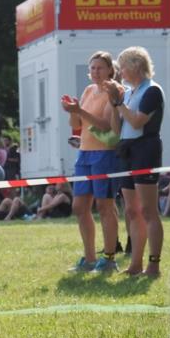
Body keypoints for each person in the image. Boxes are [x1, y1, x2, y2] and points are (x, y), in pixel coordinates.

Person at [104, 46, 165, 277]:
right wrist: (113, 103)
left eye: (122, 67)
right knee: (131, 211)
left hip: (145, 149)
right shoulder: (128, 92)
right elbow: (116, 128)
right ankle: (135, 264)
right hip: (127, 149)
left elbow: (138, 122)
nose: (119, 72)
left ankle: (154, 264)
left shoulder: (152, 91)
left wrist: (120, 103)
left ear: (136, 66)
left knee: (149, 210)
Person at [60, 51, 121, 274]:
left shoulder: (115, 91)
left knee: (105, 205)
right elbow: (76, 123)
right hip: (84, 152)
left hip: (105, 153)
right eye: (93, 68)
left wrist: (80, 111)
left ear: (110, 70)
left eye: (100, 68)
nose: (95, 72)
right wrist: (72, 110)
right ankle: (89, 258)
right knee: (79, 206)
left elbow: (106, 125)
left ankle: (109, 257)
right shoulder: (88, 90)